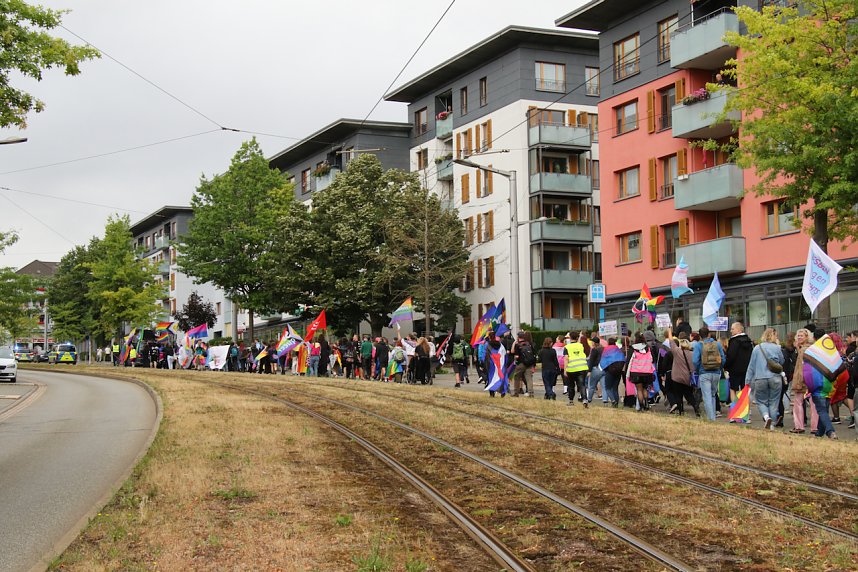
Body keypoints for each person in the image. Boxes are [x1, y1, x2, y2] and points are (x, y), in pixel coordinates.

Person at [745, 328, 785, 430]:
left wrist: (748, 380)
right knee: (774, 401)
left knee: (760, 400)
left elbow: (751, 366)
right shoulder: (777, 348)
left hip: (760, 378)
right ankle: (772, 424)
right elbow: (782, 361)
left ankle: (766, 417)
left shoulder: (757, 348)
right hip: (775, 377)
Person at [693, 326, 726, 421]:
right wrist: (719, 368)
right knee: (713, 394)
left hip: (704, 373)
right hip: (716, 373)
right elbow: (723, 358)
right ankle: (713, 416)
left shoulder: (699, 345)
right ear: (709, 334)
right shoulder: (717, 344)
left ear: (699, 336)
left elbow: (695, 361)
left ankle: (711, 419)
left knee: (706, 396)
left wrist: (699, 369)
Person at [665, 329, 700, 416]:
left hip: (677, 377)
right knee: (689, 394)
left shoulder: (677, 352)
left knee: (678, 395)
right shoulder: (692, 354)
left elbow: (671, 342)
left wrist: (670, 332)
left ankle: (681, 411)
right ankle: (695, 407)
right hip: (687, 378)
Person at [725, 322, 754, 404]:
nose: (731, 331)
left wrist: (726, 366)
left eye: (732, 329)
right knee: (745, 390)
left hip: (735, 370)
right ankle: (746, 410)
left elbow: (731, 356)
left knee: (732, 389)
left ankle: (735, 410)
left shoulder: (734, 341)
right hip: (746, 369)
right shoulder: (749, 341)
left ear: (739, 329)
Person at [627, 333, 655, 411]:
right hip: (647, 372)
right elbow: (653, 359)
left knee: (639, 389)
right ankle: (646, 403)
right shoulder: (648, 348)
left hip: (636, 372)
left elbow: (629, 361)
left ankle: (641, 406)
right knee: (645, 388)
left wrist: (627, 372)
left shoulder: (633, 348)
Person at [563, 332, 589, 406]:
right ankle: (584, 399)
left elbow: (566, 358)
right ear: (577, 338)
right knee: (582, 385)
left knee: (571, 385)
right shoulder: (581, 346)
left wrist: (565, 370)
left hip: (571, 368)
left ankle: (571, 401)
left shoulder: (567, 347)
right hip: (582, 367)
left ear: (570, 338)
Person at [511, 331, 535, 397]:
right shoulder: (529, 344)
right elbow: (533, 354)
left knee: (516, 377)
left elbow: (516, 355)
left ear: (518, 337)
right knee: (529, 378)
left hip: (521, 363)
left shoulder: (518, 345)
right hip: (529, 363)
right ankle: (531, 393)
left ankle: (516, 392)